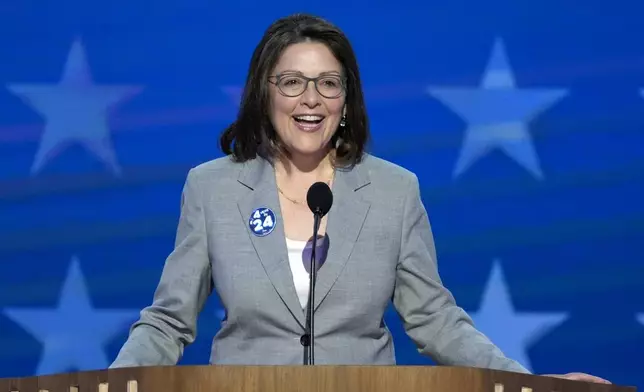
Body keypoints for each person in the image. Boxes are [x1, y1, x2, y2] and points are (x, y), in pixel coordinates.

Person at [110, 13, 608, 384]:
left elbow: (435, 319)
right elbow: (169, 320)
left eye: (328, 84)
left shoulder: (394, 190)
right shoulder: (212, 188)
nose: (311, 99)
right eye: (291, 83)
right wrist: (113, 381)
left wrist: (526, 384)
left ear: (346, 101)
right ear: (265, 94)